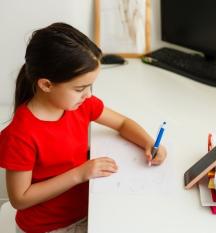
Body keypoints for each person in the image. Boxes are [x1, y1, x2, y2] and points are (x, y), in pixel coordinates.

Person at [0, 22, 167, 233]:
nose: (88, 95)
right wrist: (79, 174)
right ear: (46, 85)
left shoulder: (79, 104)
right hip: (47, 227)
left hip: (86, 211)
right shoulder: (20, 135)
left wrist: (149, 142)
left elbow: (122, 123)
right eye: (80, 88)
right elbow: (20, 199)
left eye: (90, 86)